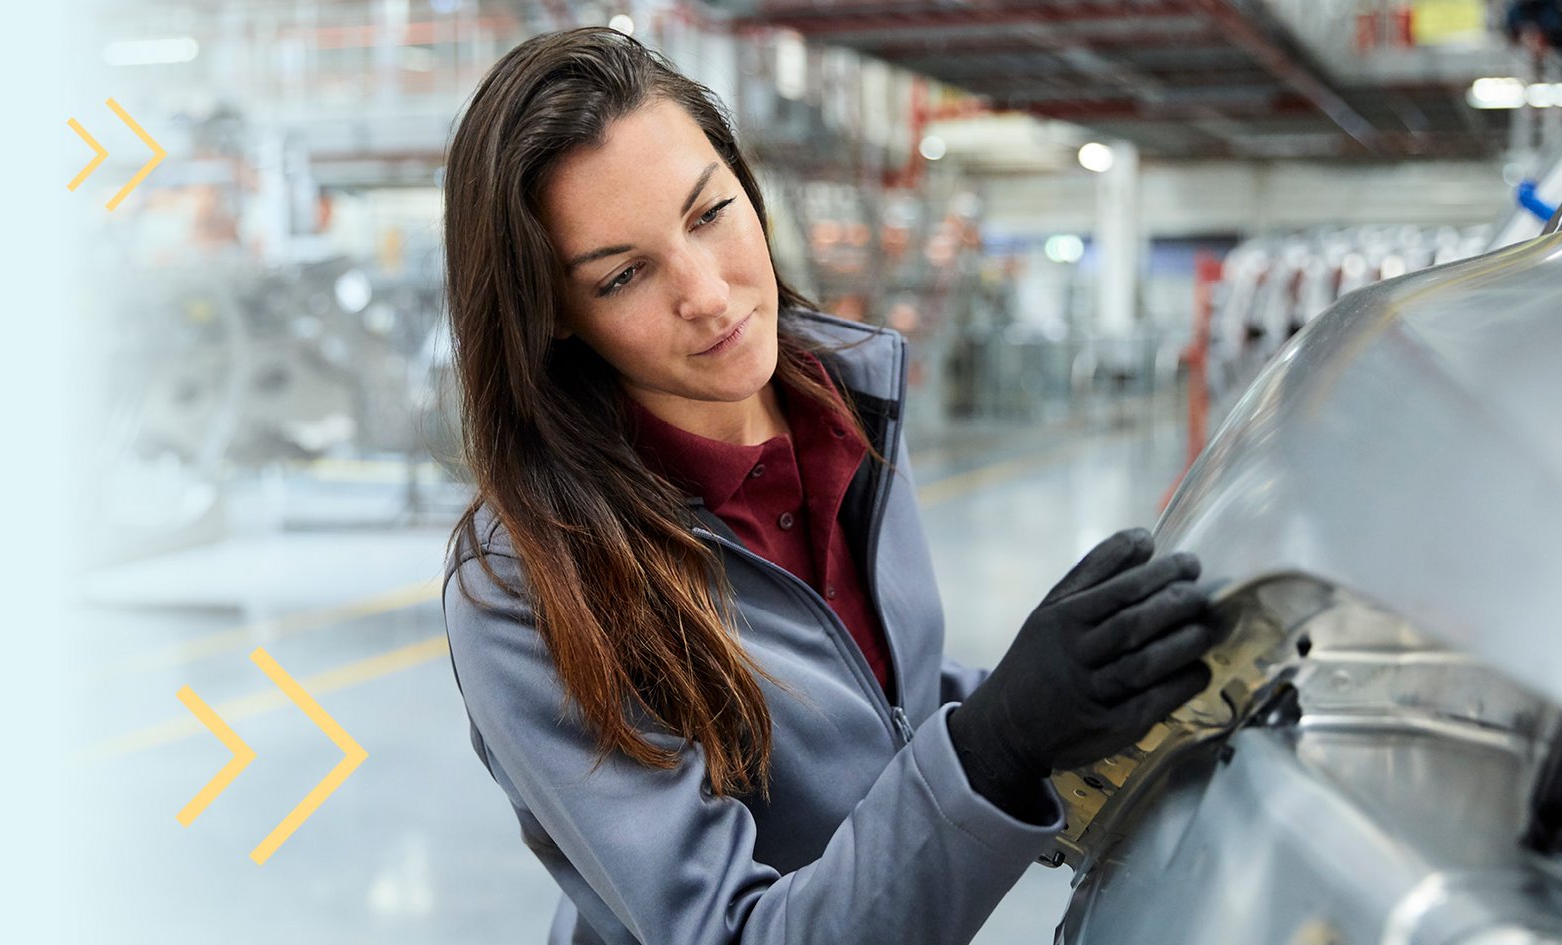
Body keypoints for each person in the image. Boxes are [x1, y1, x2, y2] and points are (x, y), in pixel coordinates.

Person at [440, 26, 1215, 945]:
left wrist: (1064, 695)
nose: (709, 294)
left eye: (708, 214)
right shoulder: (529, 584)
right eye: (623, 275)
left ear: (747, 187)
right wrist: (996, 746)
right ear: (555, 318)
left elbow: (877, 701)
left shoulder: (847, 402)